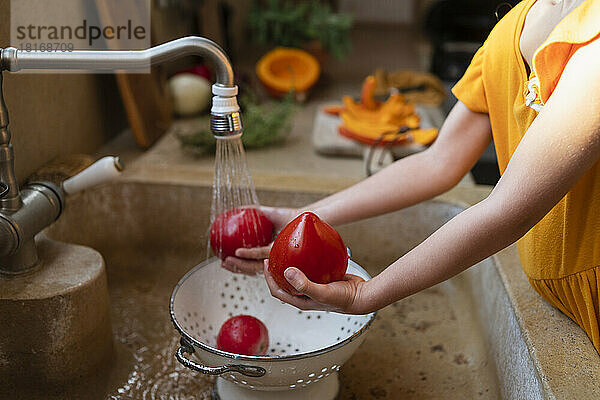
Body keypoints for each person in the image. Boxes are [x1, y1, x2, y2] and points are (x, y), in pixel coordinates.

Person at [224, 0, 600, 352]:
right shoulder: (514, 27)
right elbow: (438, 162)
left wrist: (368, 295)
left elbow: (508, 210)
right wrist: (303, 217)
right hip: (565, 301)